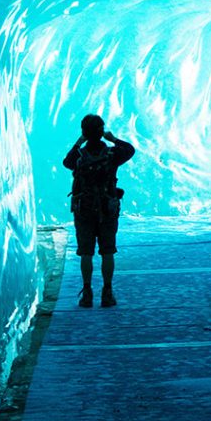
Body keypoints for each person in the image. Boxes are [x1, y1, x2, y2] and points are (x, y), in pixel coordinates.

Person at [63, 114, 135, 307]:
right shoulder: (113, 155)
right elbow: (130, 150)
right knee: (108, 252)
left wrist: (80, 141)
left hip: (84, 210)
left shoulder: (78, 156)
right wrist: (112, 139)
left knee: (86, 253)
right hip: (107, 209)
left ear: (84, 133)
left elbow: (66, 162)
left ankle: (87, 293)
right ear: (101, 132)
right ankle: (107, 292)